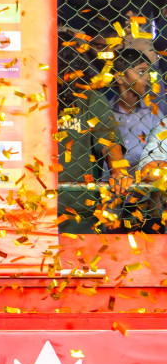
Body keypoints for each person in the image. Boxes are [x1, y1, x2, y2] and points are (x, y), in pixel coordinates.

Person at [59, 47, 130, 234]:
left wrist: (118, 170)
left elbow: (109, 141)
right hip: (32, 206)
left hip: (78, 210)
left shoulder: (90, 99)